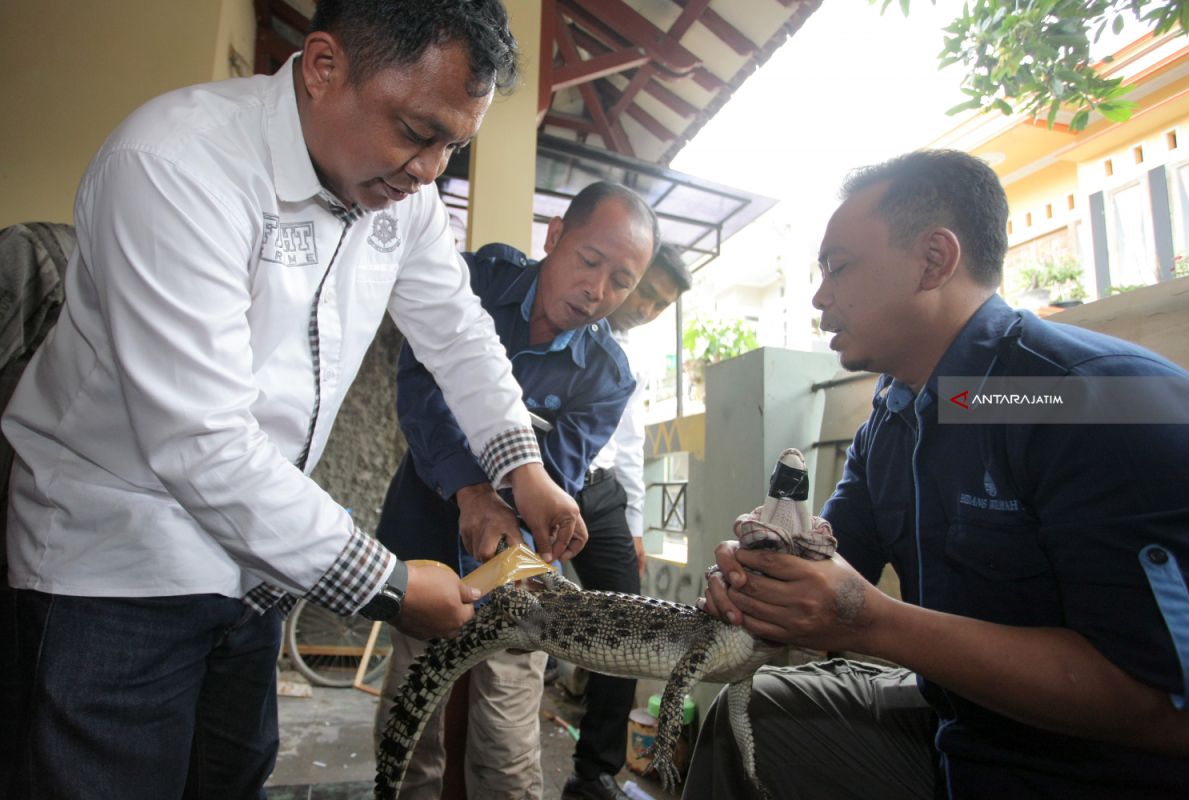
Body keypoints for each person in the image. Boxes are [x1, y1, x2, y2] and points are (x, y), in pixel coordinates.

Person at [1, 2, 588, 798]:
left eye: (455, 144)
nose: (431, 171)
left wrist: (525, 469)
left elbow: (458, 336)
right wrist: (388, 584)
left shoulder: (402, 198)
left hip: (254, 568)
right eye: (417, 130)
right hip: (114, 572)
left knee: (229, 778)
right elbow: (201, 444)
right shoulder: (176, 166)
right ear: (322, 67)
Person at [687, 149, 1189, 799]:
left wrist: (871, 621)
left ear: (934, 260)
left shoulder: (1090, 396)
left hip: (1094, 770)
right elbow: (835, 561)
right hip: (956, 730)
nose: (820, 297)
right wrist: (763, 576)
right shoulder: (902, 413)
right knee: (748, 717)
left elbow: (1172, 709)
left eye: (838, 268)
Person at [373, 181, 659, 799]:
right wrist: (471, 492)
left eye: (622, 282)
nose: (597, 292)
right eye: (589, 262)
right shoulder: (474, 281)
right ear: (554, 236)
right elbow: (422, 393)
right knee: (410, 722)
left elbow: (557, 475)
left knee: (506, 736)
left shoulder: (609, 375)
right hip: (428, 528)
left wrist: (521, 524)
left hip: (515, 560)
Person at [560, 244, 692, 800]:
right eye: (648, 293)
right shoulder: (565, 321)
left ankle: (594, 775)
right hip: (544, 480)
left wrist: (635, 524)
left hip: (602, 491)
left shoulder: (631, 355)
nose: (648, 309)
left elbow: (632, 442)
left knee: (631, 627)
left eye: (662, 305)